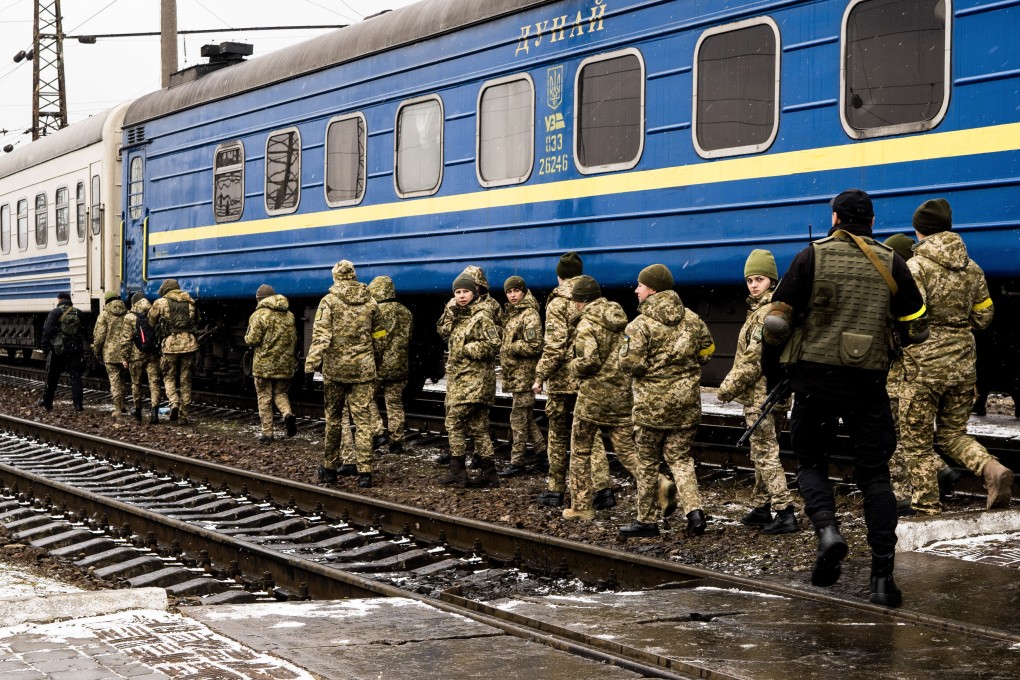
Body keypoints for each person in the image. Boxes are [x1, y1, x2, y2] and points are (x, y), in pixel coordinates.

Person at [762, 188, 928, 608]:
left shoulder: (810, 257)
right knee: (875, 476)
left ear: (834, 218)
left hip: (814, 382)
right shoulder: (893, 262)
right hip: (867, 384)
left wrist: (777, 375)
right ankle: (882, 579)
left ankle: (828, 532)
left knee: (811, 462)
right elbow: (917, 326)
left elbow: (776, 324)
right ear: (871, 222)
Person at [898, 199, 1012, 513]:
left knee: (917, 441)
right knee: (952, 434)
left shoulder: (916, 267)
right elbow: (984, 317)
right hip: (963, 363)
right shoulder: (972, 268)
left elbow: (913, 319)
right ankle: (991, 468)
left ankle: (926, 507)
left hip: (923, 365)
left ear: (919, 230)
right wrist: (957, 324)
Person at [620, 264, 715, 537]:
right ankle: (694, 513)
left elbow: (631, 364)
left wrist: (649, 369)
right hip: (686, 405)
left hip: (651, 408)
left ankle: (646, 521)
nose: (636, 290)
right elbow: (708, 351)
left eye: (640, 285)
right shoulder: (693, 319)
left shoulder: (639, 325)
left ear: (653, 289)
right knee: (680, 459)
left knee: (648, 463)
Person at [717, 251, 800, 534]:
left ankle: (785, 511)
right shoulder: (776, 309)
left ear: (772, 281)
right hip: (774, 393)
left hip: (760, 396)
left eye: (759, 279)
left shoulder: (764, 314)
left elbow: (752, 361)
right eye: (750, 280)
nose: (753, 285)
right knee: (765, 449)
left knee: (765, 453)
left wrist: (727, 389)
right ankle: (762, 506)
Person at [532, 253, 614, 510]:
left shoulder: (558, 302)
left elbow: (554, 346)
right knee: (591, 433)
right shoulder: (593, 297)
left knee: (557, 433)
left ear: (560, 275)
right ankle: (603, 490)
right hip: (588, 377)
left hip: (562, 379)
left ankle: (555, 489)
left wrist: (540, 375)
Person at [306, 260, 386, 488]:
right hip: (363, 370)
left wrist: (310, 365)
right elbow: (380, 336)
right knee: (363, 422)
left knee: (334, 421)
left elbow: (321, 337)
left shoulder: (328, 302)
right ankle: (365, 474)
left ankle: (330, 469)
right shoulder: (371, 302)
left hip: (335, 371)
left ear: (335, 277)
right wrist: (374, 360)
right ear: (353, 276)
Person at [562, 275, 633, 521]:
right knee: (627, 451)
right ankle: (659, 485)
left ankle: (581, 507)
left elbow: (589, 361)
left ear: (580, 301)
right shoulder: (618, 318)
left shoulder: (587, 324)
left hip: (593, 397)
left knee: (580, 450)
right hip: (621, 393)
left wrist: (572, 365)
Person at [437, 272, 502, 487]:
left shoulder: (481, 316)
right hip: (461, 379)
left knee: (453, 422)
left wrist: (467, 349)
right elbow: (443, 331)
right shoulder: (458, 316)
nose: (462, 296)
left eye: (466, 291)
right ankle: (489, 473)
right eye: (458, 292)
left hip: (474, 381)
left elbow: (494, 343)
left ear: (474, 293)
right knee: (478, 426)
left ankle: (457, 470)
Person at [881, 234, 920, 513]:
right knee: (913, 434)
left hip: (899, 376)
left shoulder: (899, 292)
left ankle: (903, 495)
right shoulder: (914, 291)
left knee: (895, 435)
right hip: (917, 373)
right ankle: (931, 480)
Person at [498, 275, 546, 476]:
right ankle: (543, 454)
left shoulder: (529, 315)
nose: (512, 295)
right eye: (509, 292)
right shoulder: (513, 313)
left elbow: (535, 345)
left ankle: (517, 462)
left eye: (516, 291)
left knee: (518, 418)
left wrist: (512, 346)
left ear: (524, 292)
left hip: (524, 376)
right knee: (526, 417)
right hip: (515, 374)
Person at [244, 284, 297, 444]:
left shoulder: (259, 315)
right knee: (280, 393)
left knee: (264, 397)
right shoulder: (289, 315)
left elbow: (252, 339)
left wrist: (246, 338)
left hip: (264, 365)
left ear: (259, 299)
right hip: (285, 363)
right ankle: (287, 414)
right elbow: (294, 339)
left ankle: (267, 433)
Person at [367, 275, 413, 453]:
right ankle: (397, 442)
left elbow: (373, 337)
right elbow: (408, 336)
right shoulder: (405, 312)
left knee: (368, 399)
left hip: (379, 364)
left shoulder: (375, 310)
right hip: (399, 365)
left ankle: (378, 432)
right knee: (394, 403)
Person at [148, 279, 199, 424]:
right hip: (189, 344)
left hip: (170, 345)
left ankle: (174, 401)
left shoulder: (160, 302)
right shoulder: (190, 302)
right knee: (185, 380)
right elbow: (194, 320)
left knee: (169, 377)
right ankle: (183, 416)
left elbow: (151, 321)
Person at [38, 291, 84, 412]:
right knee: (76, 377)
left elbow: (47, 331)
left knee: (52, 377)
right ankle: (78, 404)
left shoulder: (55, 312)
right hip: (74, 349)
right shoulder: (78, 313)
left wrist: (45, 348)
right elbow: (84, 331)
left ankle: (47, 402)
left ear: (60, 299)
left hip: (58, 349)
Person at [121, 292, 161, 424]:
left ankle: (138, 412)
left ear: (133, 303)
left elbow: (126, 339)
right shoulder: (152, 313)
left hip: (136, 356)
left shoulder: (129, 317)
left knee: (136, 384)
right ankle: (155, 414)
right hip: (152, 354)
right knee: (154, 383)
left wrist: (124, 357)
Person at [92, 291, 130, 417]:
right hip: (125, 353)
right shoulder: (127, 313)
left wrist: (96, 350)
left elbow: (99, 336)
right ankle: (123, 404)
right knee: (122, 379)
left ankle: (118, 408)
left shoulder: (104, 315)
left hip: (110, 353)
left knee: (114, 381)